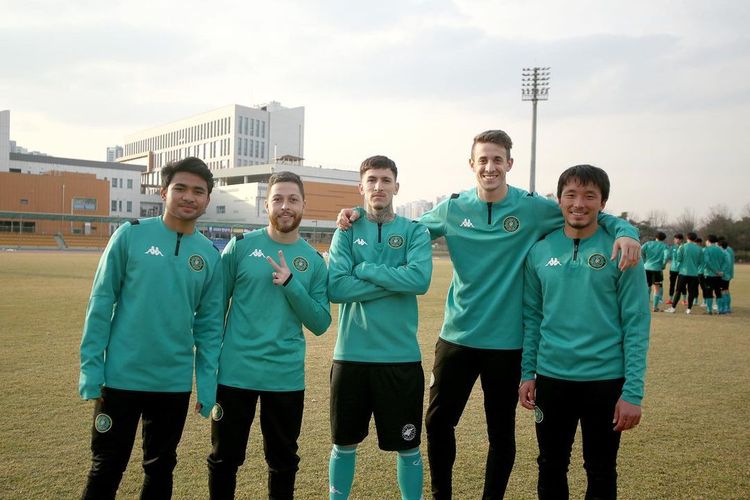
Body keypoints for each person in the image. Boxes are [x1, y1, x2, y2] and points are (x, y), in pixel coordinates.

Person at [337, 131, 641, 499]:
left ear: (510, 163)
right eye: (483, 159)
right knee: (437, 423)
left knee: (501, 433)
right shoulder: (452, 209)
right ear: (472, 164)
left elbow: (583, 211)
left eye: (497, 159)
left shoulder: (532, 208)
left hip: (507, 343)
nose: (490, 167)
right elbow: (403, 228)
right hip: (457, 336)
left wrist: (626, 231)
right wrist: (359, 214)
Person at [79, 157, 224, 499]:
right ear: (163, 192)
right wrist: (91, 369)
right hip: (120, 378)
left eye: (198, 191)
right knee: (106, 466)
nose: (189, 197)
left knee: (160, 468)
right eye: (180, 188)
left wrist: (206, 386)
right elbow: (100, 304)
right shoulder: (130, 235)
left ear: (207, 199)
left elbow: (209, 326)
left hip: (172, 383)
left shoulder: (209, 255)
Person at [519, 164, 650, 500]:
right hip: (552, 378)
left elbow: (636, 323)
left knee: (601, 468)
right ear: (559, 200)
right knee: (550, 465)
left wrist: (633, 393)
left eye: (590, 196)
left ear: (602, 203)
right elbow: (533, 318)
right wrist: (527, 373)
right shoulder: (539, 251)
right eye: (571, 195)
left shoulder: (623, 251)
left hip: (605, 380)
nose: (579, 203)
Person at [207, 171, 331, 500]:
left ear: (303, 205)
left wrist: (291, 284)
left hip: (285, 377)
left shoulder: (314, 261)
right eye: (278, 199)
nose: (285, 206)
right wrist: (207, 369)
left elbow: (320, 322)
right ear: (266, 205)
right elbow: (214, 310)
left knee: (283, 462)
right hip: (235, 374)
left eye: (293, 199)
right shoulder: (241, 247)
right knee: (224, 459)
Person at [327, 155, 432, 500]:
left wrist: (365, 269)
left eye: (386, 180)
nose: (379, 186)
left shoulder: (415, 231)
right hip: (351, 356)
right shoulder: (346, 229)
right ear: (361, 187)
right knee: (343, 443)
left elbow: (419, 280)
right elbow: (337, 288)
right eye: (371, 180)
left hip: (400, 358)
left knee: (408, 446)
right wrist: (395, 281)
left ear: (396, 187)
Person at [665, 232, 702, 314]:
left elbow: (678, 259)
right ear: (695, 239)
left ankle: (673, 308)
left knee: (678, 291)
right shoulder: (699, 249)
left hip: (683, 273)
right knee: (691, 292)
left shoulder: (682, 247)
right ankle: (689, 309)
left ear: (687, 238)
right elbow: (700, 261)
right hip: (694, 274)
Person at [641, 232, 669, 311]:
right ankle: (655, 307)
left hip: (646, 267)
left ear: (655, 237)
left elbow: (640, 250)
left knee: (647, 287)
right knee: (657, 288)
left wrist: (644, 260)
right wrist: (663, 264)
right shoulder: (664, 246)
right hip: (657, 269)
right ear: (664, 238)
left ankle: (645, 306)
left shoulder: (648, 243)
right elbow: (667, 255)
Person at [701, 235, 725, 315]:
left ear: (708, 241)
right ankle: (719, 309)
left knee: (709, 292)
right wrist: (721, 271)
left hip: (709, 274)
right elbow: (725, 262)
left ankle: (709, 310)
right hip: (718, 275)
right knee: (718, 292)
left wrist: (715, 271)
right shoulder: (720, 250)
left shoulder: (706, 249)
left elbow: (707, 262)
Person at [665, 233, 684, 304]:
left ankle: (684, 300)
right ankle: (670, 299)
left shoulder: (684, 247)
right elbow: (669, 256)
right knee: (672, 284)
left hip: (682, 269)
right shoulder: (672, 247)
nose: (676, 240)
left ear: (681, 240)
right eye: (675, 239)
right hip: (673, 269)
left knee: (682, 285)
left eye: (678, 239)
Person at [718, 238, 735, 313]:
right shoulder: (728, 253)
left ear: (720, 246)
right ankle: (727, 307)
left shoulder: (723, 253)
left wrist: (721, 272)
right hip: (727, 275)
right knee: (726, 291)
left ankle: (723, 308)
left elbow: (723, 265)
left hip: (723, 275)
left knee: (722, 292)